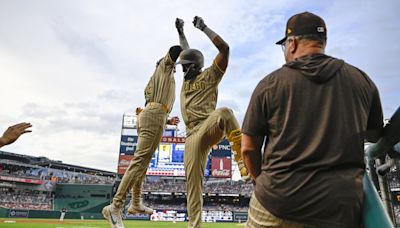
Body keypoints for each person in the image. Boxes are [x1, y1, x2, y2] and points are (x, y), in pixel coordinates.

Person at [241, 12, 384, 228]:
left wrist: (259, 180)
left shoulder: (270, 84)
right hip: (339, 208)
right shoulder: (362, 80)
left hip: (279, 201)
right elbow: (374, 135)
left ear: (292, 43)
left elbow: (248, 149)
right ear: (322, 42)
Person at [175, 16, 249, 228]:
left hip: (208, 125)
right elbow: (186, 52)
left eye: (184, 66)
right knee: (193, 185)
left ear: (194, 66)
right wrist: (181, 32)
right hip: (191, 136)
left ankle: (242, 162)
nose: (181, 69)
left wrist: (204, 28)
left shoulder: (210, 76)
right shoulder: (186, 79)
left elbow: (224, 49)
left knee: (225, 112)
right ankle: (194, 225)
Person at [102, 45, 182, 228]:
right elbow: (175, 49)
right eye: (174, 64)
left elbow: (151, 106)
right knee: (139, 162)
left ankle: (136, 203)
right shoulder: (164, 67)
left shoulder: (156, 80)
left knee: (142, 163)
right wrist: (181, 50)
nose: (176, 67)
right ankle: (115, 206)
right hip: (154, 116)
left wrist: (168, 121)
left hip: (151, 115)